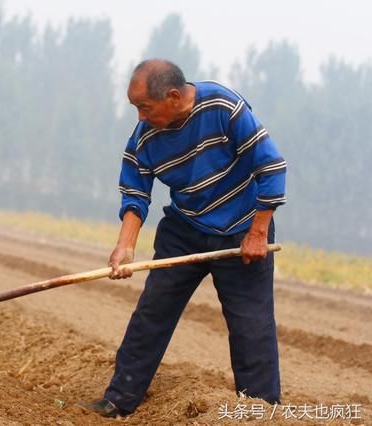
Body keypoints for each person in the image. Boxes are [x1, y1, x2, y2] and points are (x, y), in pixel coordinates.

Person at [83, 59, 286, 418]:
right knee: (152, 313)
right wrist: (125, 246)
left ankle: (261, 413)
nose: (140, 117)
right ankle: (119, 399)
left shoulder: (223, 108)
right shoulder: (144, 136)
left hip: (241, 229)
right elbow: (135, 191)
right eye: (135, 108)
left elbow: (271, 166)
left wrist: (257, 232)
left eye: (144, 107)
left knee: (250, 325)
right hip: (185, 229)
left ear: (174, 97)